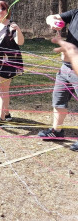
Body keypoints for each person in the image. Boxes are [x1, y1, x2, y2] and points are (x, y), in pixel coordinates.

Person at [38, 11, 78, 151]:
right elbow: (50, 17)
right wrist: (53, 22)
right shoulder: (75, 13)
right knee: (58, 100)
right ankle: (57, 131)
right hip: (65, 68)